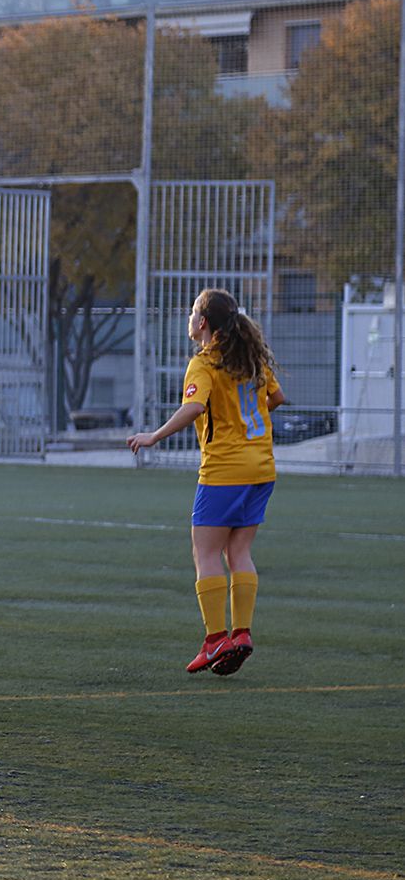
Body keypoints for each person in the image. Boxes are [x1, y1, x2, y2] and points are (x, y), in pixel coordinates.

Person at [128, 288, 282, 677]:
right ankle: (241, 633)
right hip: (261, 468)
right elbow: (276, 398)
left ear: (203, 322)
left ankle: (215, 639)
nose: (190, 317)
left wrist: (153, 436)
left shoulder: (204, 362)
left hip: (225, 470)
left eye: (193, 311)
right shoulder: (250, 359)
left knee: (206, 552)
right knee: (239, 552)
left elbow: (194, 407)